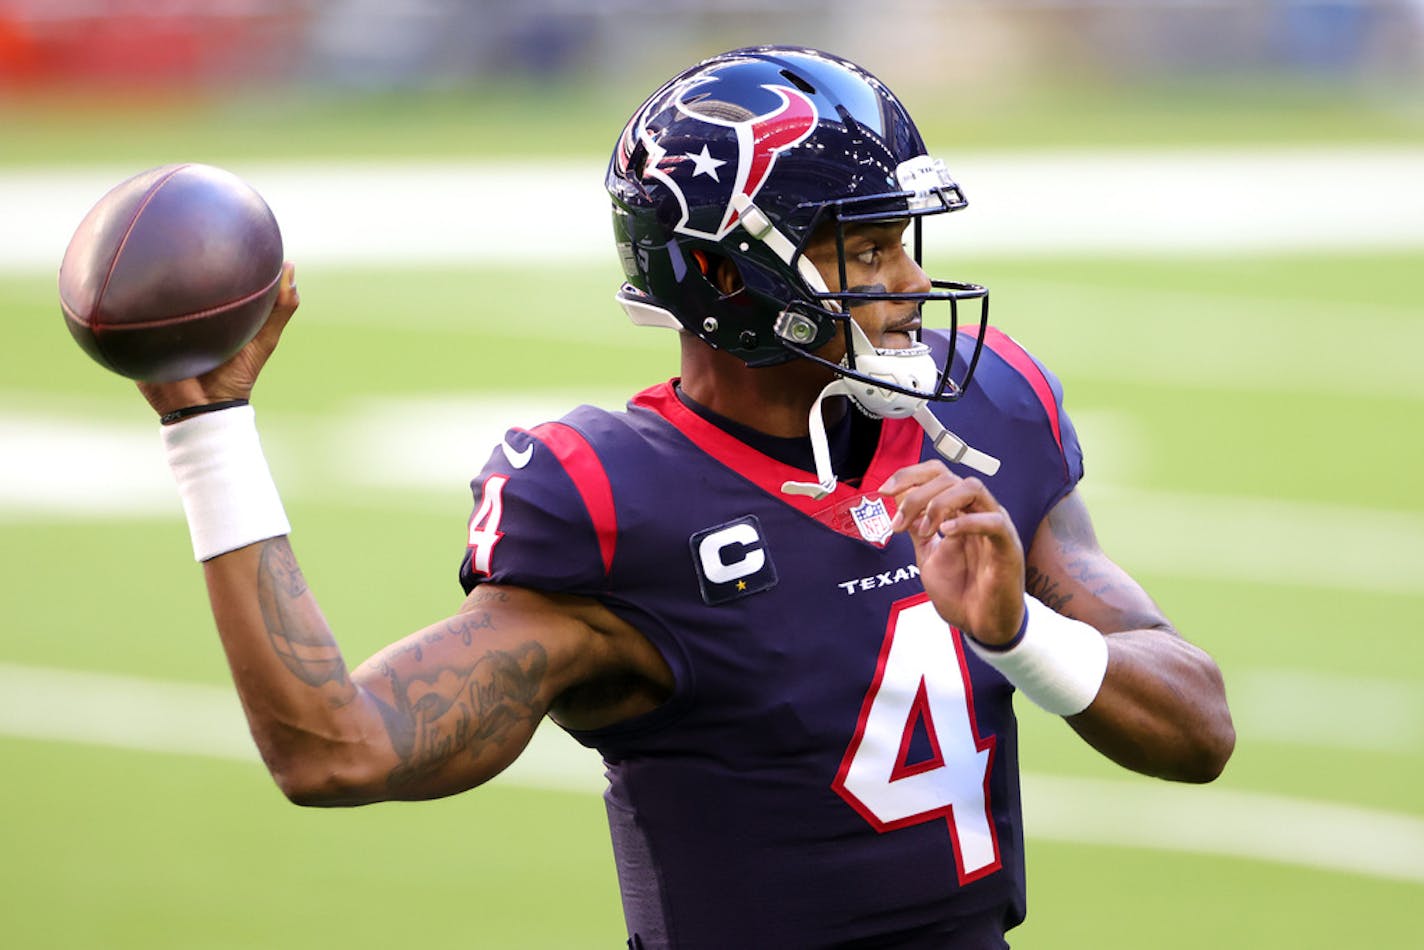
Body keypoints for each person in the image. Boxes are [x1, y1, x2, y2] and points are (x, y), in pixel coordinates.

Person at [140, 46, 1234, 948]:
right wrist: (209, 437)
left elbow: (1197, 727)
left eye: (902, 242)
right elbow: (337, 748)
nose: (904, 282)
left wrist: (1018, 631)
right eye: (861, 246)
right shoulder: (617, 502)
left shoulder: (981, 420)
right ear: (722, 273)